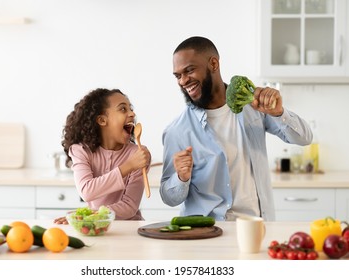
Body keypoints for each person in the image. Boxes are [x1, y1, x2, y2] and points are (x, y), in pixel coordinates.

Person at [160, 36, 312, 221]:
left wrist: (279, 112)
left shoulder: (253, 107)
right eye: (178, 76)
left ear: (213, 64)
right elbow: (169, 197)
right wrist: (181, 178)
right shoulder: (177, 131)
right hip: (206, 233)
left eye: (189, 70)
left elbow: (304, 138)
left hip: (256, 226)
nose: (183, 81)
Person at [54, 88, 151, 224]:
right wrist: (129, 166)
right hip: (95, 225)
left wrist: (91, 215)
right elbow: (87, 191)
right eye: (123, 109)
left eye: (131, 108)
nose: (132, 114)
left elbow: (129, 206)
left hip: (129, 227)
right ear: (102, 120)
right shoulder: (81, 150)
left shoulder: (138, 154)